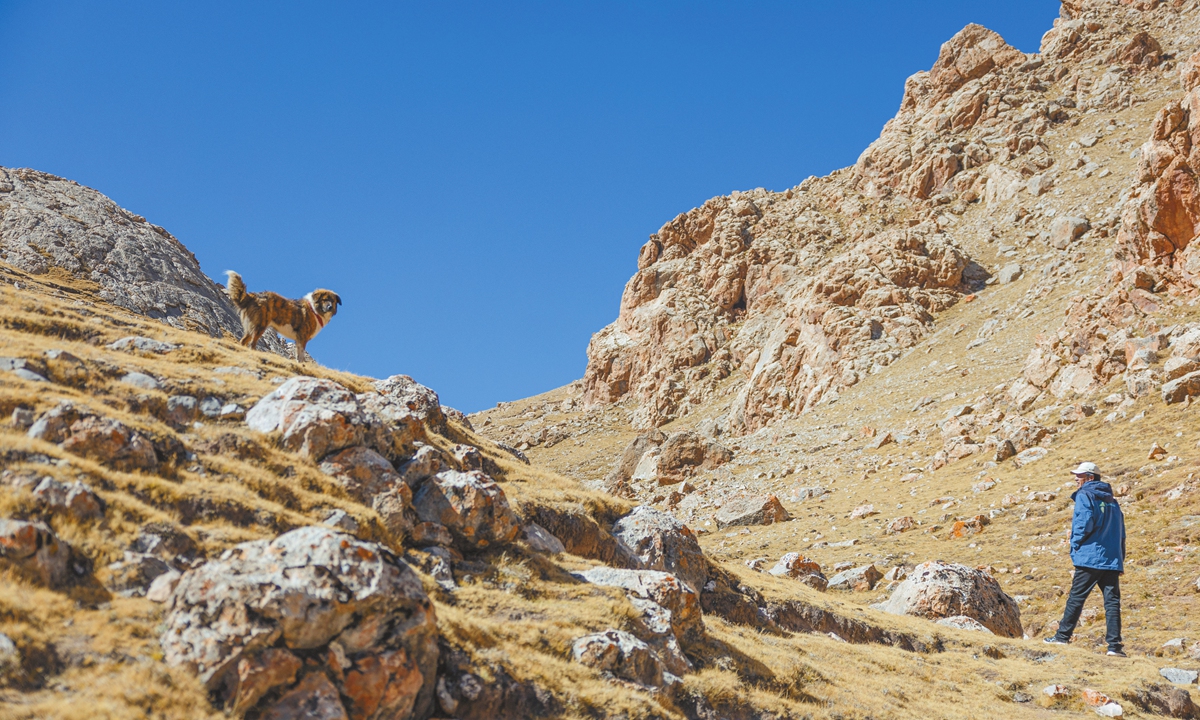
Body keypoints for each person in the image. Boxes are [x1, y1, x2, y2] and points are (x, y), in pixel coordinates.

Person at [1044, 461, 1127, 656]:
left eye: (1079, 476)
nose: (1076, 478)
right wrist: (1120, 559)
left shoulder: (1085, 495)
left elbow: (1083, 523)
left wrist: (1076, 546)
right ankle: (1115, 647)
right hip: (1111, 559)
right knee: (1112, 602)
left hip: (1090, 557)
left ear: (1090, 478)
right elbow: (1121, 532)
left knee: (1076, 597)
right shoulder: (1113, 501)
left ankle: (1062, 637)